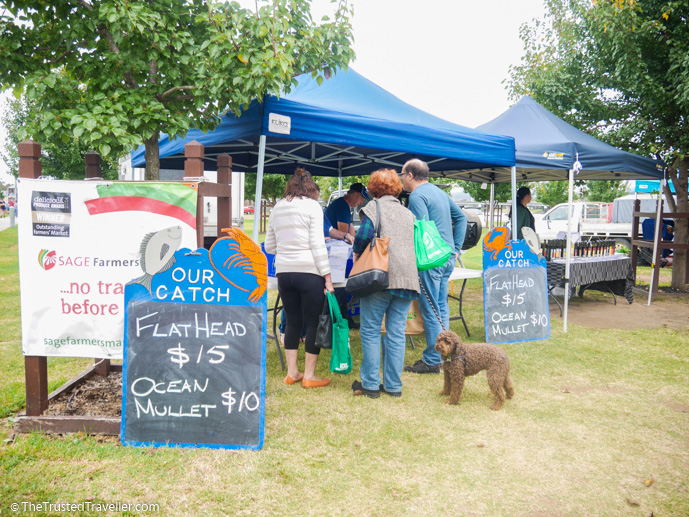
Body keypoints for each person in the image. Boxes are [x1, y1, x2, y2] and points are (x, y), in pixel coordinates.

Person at [350, 168, 419, 398]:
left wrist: (357, 255)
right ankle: (393, 386)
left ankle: (370, 384)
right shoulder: (407, 213)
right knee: (396, 332)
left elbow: (362, 238)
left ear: (373, 189)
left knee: (370, 330)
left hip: (380, 276)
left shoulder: (373, 207)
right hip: (407, 279)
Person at [264, 168, 333, 388]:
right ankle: (309, 376)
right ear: (311, 189)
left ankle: (292, 372)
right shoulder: (313, 207)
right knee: (312, 322)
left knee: (292, 321)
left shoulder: (277, 207)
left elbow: (270, 246)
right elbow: (317, 245)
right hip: (309, 271)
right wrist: (328, 279)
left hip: (284, 271)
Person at [401, 159, 467, 374]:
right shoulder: (439, 192)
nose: (401, 179)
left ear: (410, 175)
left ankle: (432, 360)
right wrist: (455, 248)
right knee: (440, 307)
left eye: (402, 175)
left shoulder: (417, 196)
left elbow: (420, 229)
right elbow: (462, 218)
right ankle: (445, 353)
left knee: (430, 311)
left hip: (430, 260)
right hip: (446, 257)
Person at [324, 183, 369, 329]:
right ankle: (342, 317)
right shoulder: (342, 206)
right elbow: (345, 236)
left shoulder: (344, 206)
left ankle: (342, 316)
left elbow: (352, 236)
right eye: (362, 198)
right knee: (341, 285)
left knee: (342, 284)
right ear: (355, 195)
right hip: (334, 253)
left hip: (334, 251)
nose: (362, 202)